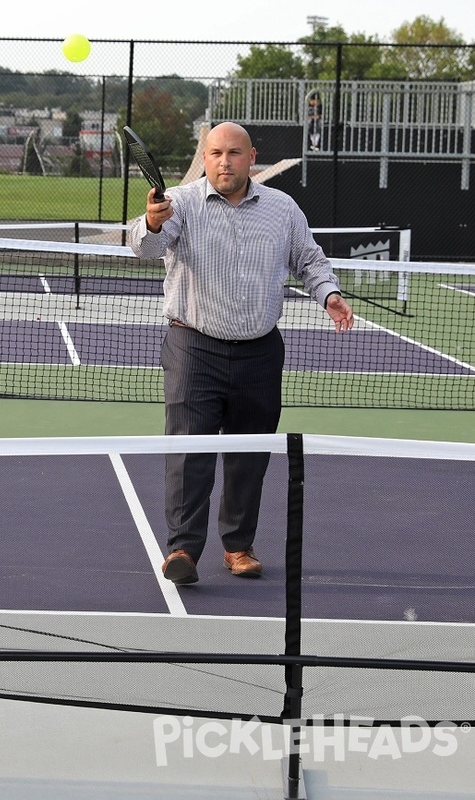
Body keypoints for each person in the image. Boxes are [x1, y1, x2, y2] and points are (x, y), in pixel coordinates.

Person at [129, 121, 354, 585]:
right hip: (193, 348)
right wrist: (151, 221)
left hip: (260, 353)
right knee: (190, 453)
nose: (224, 162)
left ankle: (238, 547)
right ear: (204, 157)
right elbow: (143, 247)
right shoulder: (180, 203)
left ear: (253, 158)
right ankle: (184, 550)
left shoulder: (282, 208)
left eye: (234, 153)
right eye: (214, 153)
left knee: (249, 454)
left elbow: (309, 260)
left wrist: (329, 294)